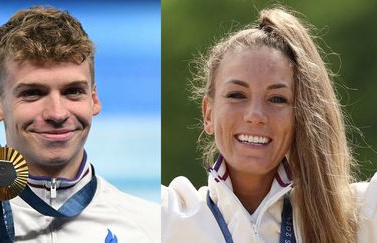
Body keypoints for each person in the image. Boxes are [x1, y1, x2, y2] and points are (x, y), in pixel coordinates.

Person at [162, 7, 377, 242]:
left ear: (300, 117)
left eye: (277, 99)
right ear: (208, 114)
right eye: (236, 95)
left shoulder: (359, 214)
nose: (255, 115)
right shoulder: (167, 218)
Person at [0, 6, 159, 243]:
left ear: (94, 100)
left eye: (73, 91)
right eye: (33, 93)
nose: (57, 114)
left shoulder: (150, 226)